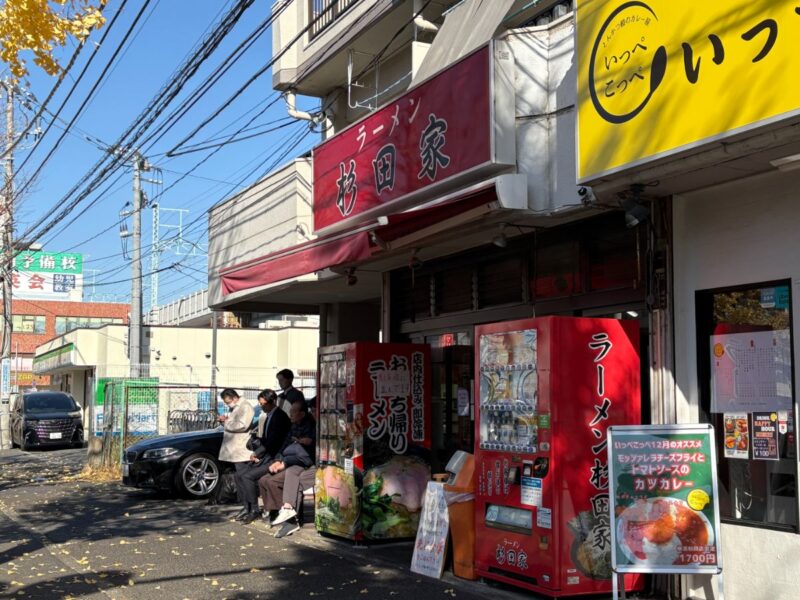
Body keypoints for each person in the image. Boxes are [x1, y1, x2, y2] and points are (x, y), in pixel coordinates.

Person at [258, 398, 316, 538]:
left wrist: (308, 441)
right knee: (264, 480)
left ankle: (289, 516)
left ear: (302, 414)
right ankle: (281, 511)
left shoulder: (311, 425)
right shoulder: (294, 426)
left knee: (285, 479)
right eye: (313, 410)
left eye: (293, 412)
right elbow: (285, 446)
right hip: (294, 462)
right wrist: (279, 461)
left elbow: (310, 449)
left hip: (308, 464)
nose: (290, 415)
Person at [235, 388, 291, 524]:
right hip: (267, 455)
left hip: (275, 457)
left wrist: (258, 453)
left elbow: (273, 441)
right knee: (239, 474)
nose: (261, 406)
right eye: (260, 404)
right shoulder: (269, 416)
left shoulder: (279, 417)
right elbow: (266, 439)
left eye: (263, 404)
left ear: (272, 402)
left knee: (248, 476)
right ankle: (246, 507)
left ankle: (254, 510)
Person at [216, 389, 255, 521]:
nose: (228, 405)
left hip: (241, 449)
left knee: (244, 479)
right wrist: (227, 421)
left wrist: (226, 422)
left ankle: (251, 507)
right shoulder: (238, 407)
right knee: (239, 479)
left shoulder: (245, 407)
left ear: (234, 398)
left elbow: (242, 425)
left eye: (228, 402)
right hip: (234, 449)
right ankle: (246, 506)